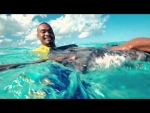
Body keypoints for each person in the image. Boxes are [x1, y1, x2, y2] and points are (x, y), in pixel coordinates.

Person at [0, 22, 150, 71]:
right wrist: (10, 66)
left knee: (134, 49)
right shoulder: (38, 51)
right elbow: (41, 62)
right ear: (37, 36)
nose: (47, 34)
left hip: (87, 52)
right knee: (133, 45)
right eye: (43, 32)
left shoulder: (70, 45)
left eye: (50, 31)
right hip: (78, 58)